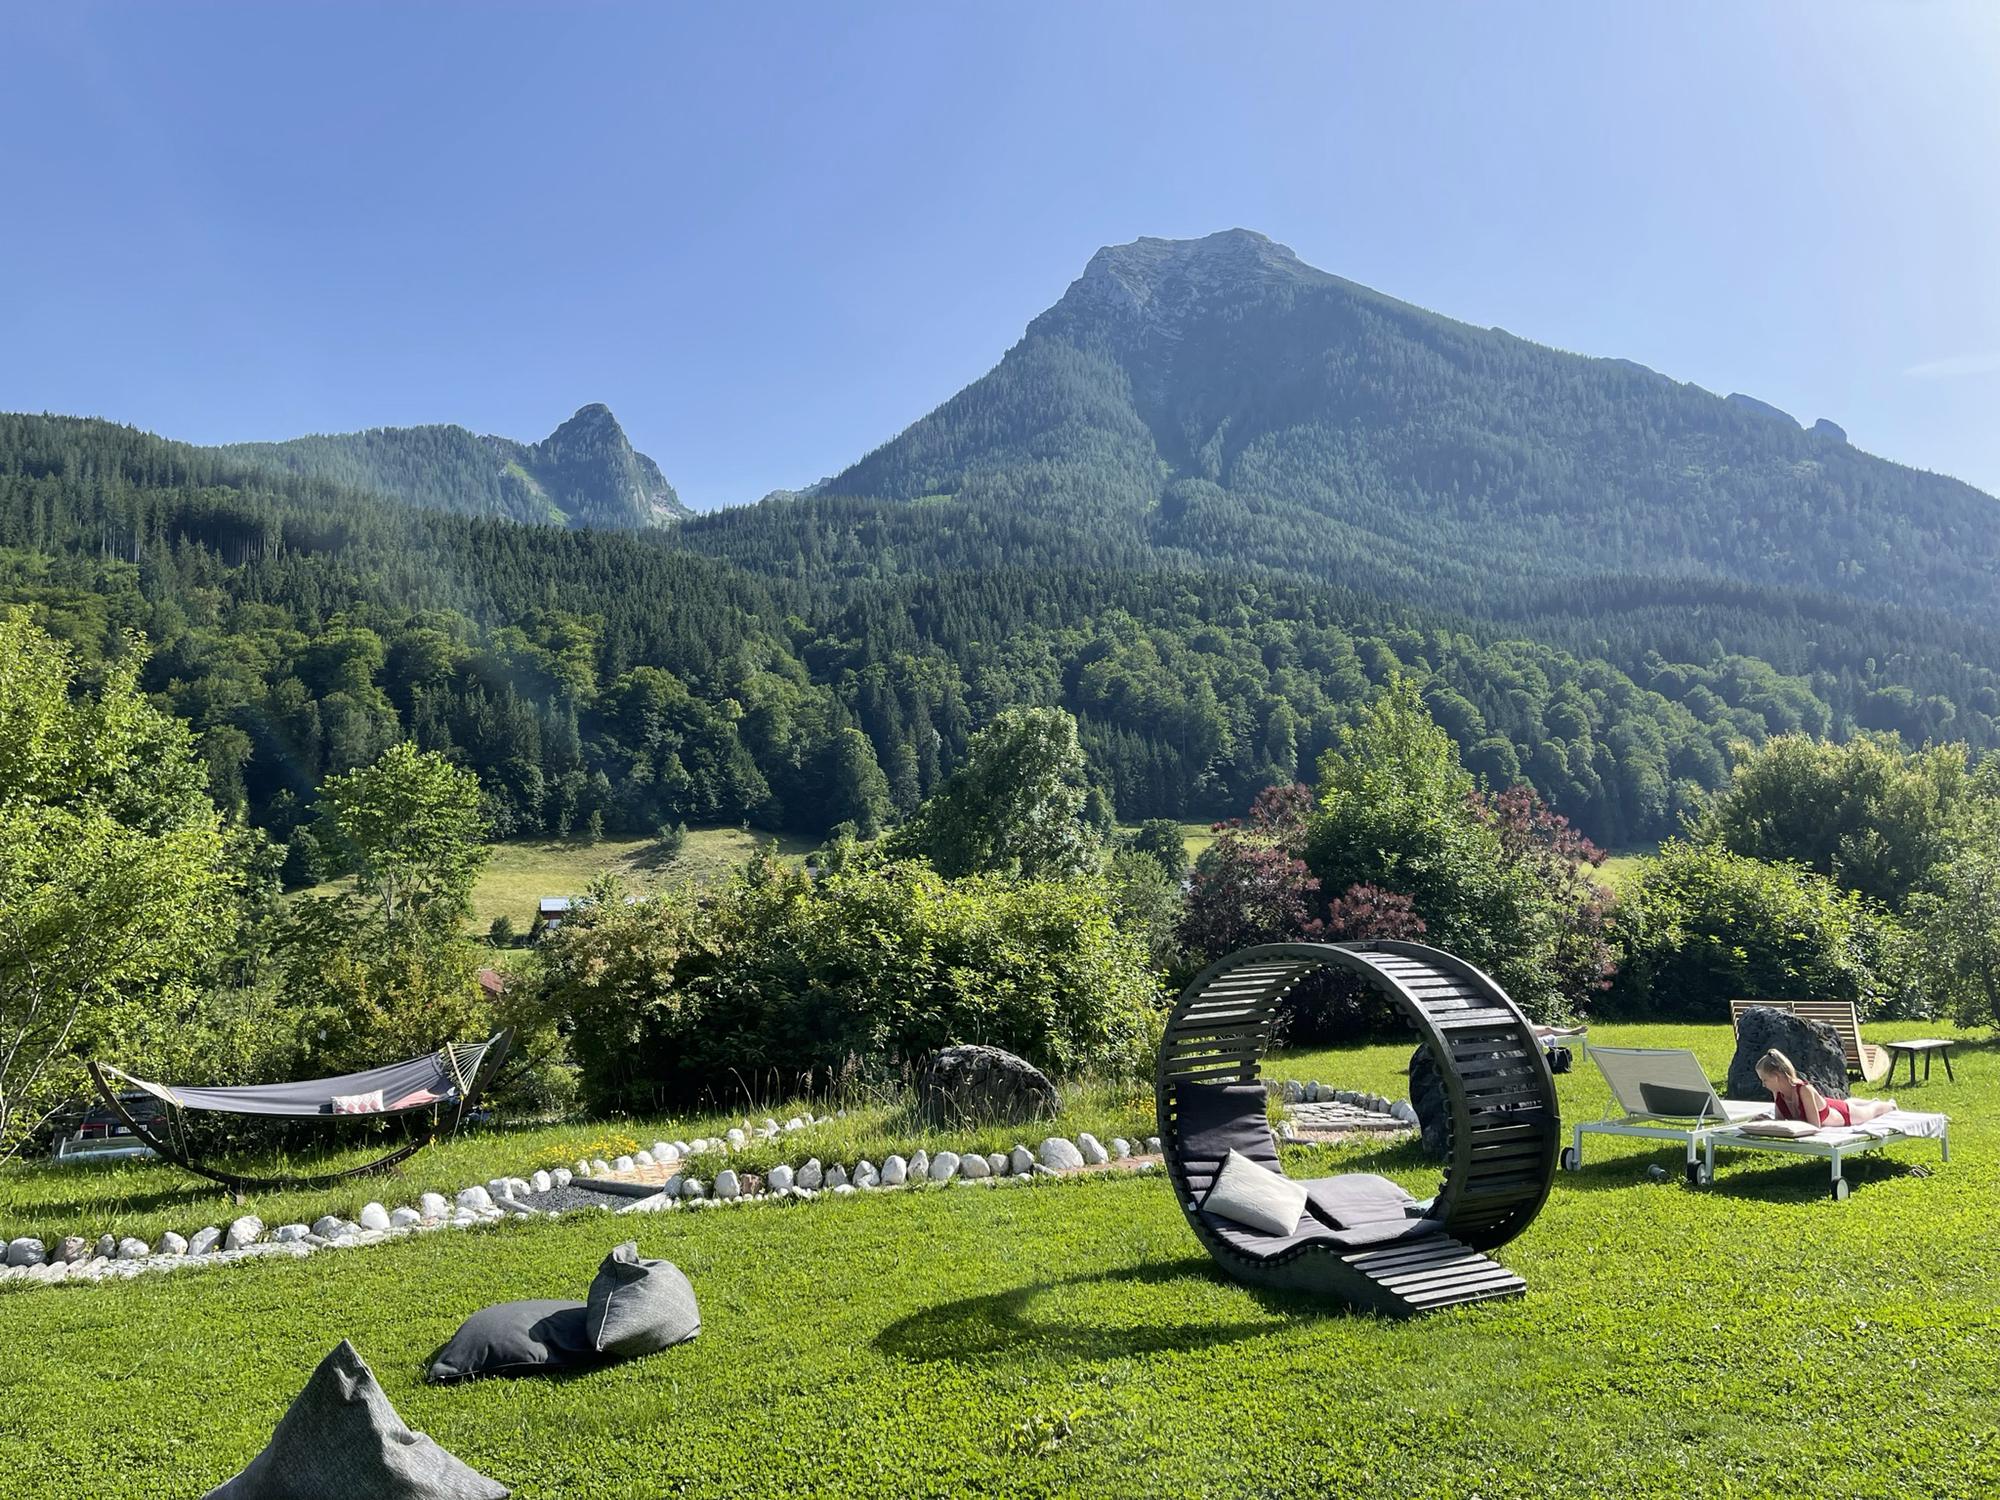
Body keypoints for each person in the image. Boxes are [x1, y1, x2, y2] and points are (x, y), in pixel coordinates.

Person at [1754, 1049, 1895, 1126]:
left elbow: (1814, 1126)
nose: (1763, 1084)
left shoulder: (1804, 1090)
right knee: (1848, 1102)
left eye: (1765, 1079)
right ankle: (1861, 1102)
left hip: (1842, 1115)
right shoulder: (1777, 1092)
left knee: (1871, 1111)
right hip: (1827, 1104)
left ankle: (1887, 1104)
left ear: (1777, 1076)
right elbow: (1780, 1122)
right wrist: (1766, 1121)